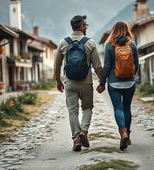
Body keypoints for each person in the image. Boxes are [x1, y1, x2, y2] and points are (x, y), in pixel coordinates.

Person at [54, 15, 102, 152]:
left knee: (72, 111)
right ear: (81, 26)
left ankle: (76, 140)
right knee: (87, 108)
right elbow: (97, 66)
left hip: (69, 82)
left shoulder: (63, 43)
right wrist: (102, 81)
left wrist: (58, 81)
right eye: (86, 25)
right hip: (86, 82)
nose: (86, 27)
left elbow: (56, 66)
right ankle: (84, 131)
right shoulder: (90, 43)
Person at [97, 21, 139, 150]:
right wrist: (131, 75)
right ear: (127, 30)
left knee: (118, 108)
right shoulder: (132, 44)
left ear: (113, 31)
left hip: (114, 83)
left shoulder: (109, 45)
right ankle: (128, 135)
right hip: (130, 82)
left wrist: (102, 82)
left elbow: (107, 66)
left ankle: (123, 133)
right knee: (127, 108)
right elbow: (136, 64)